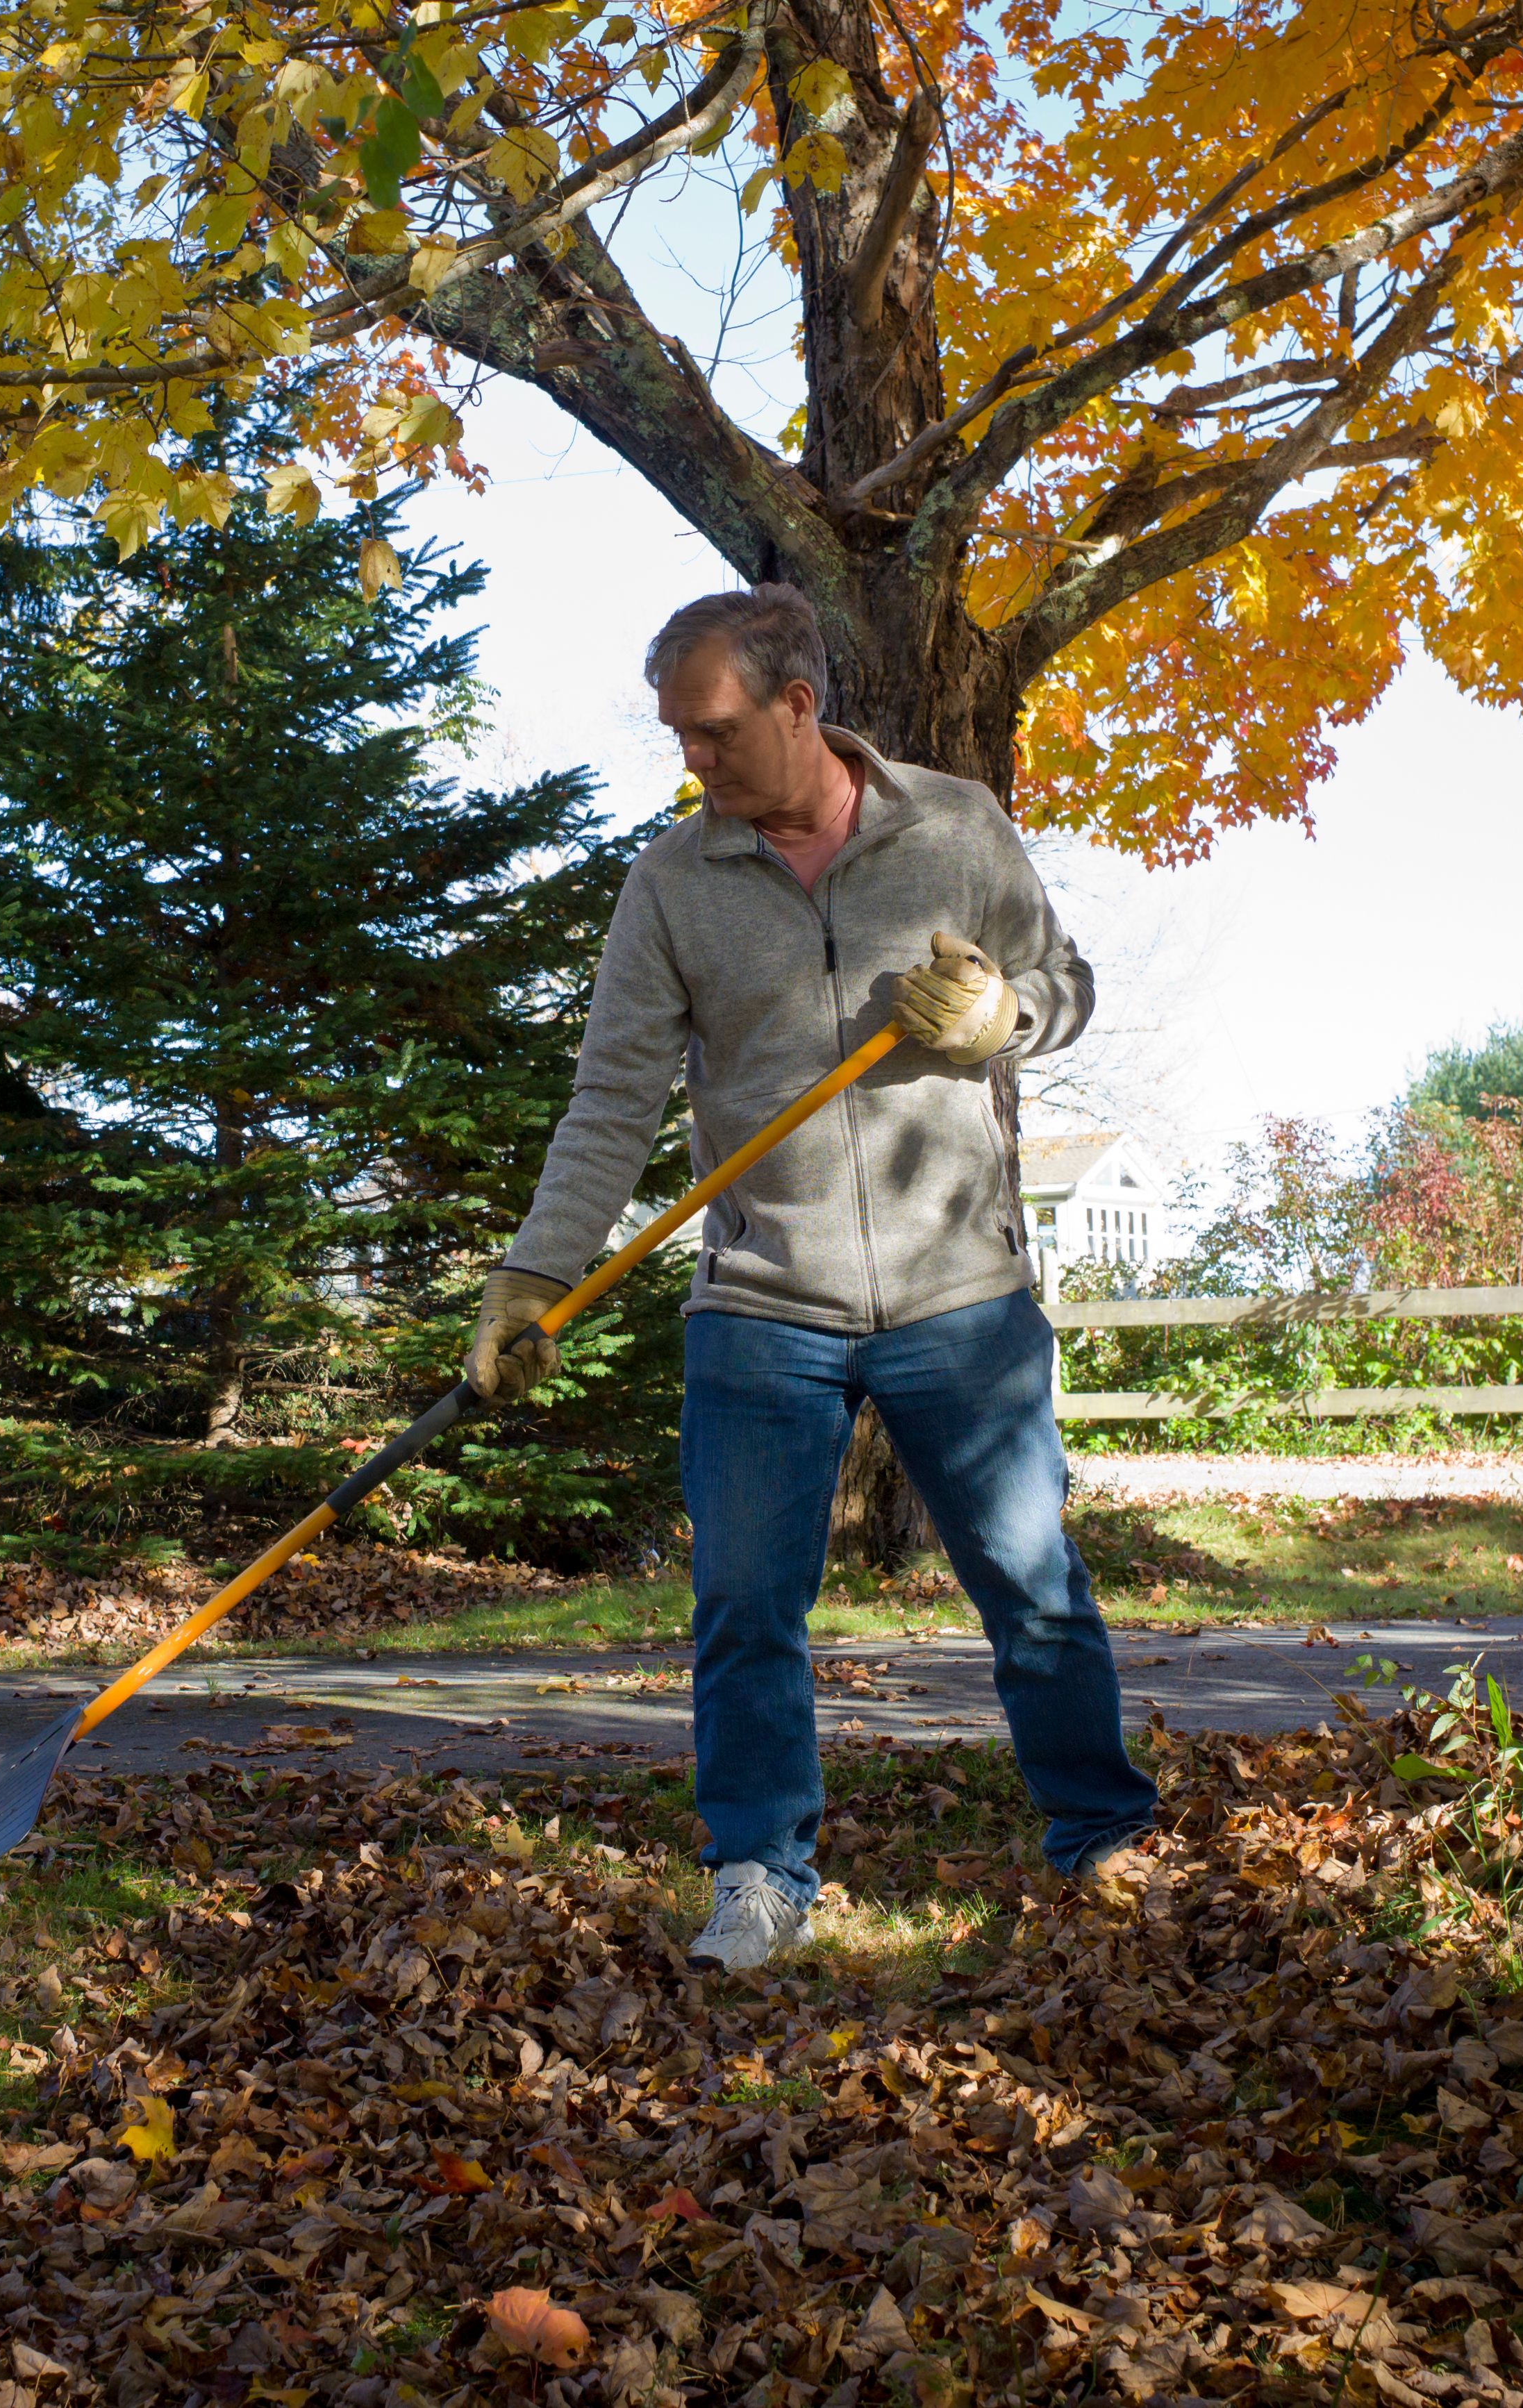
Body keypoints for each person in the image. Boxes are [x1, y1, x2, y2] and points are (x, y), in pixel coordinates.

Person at [464, 583, 1160, 1972]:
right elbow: (613, 1096)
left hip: (959, 1297)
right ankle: (758, 1874)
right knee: (740, 1604)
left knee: (1030, 1584)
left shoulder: (954, 826)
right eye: (675, 735)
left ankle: (1097, 1837)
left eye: (714, 730)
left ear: (798, 707)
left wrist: (999, 1017)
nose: (692, 762)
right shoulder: (672, 882)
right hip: (760, 1305)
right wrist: (532, 1277)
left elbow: (1064, 986)